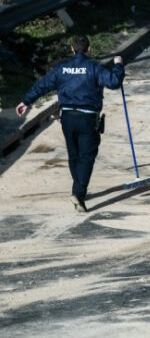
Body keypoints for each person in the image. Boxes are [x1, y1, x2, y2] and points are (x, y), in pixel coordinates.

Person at [15, 35, 125, 212]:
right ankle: (78, 192)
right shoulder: (95, 67)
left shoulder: (61, 68)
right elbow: (114, 82)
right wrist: (118, 65)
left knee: (74, 154)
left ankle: (78, 187)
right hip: (88, 118)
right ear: (89, 49)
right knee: (87, 156)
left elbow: (42, 85)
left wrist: (26, 101)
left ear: (72, 50)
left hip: (67, 118)